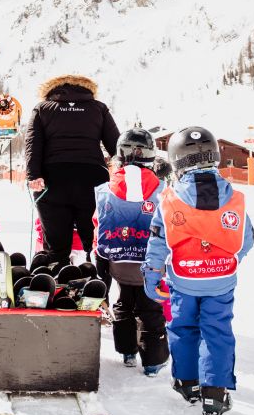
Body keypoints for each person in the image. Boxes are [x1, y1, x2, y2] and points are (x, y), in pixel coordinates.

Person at [143, 127, 254, 415]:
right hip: (221, 281)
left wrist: (153, 275)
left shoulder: (169, 200)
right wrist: (227, 261)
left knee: (183, 328)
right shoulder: (234, 198)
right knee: (217, 332)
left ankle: (187, 383)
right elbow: (246, 238)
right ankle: (215, 394)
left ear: (177, 161)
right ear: (215, 156)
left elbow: (158, 242)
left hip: (183, 279)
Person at [95, 128, 169, 377]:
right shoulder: (162, 190)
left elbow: (98, 224)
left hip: (117, 262)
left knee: (124, 302)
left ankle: (127, 351)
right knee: (150, 309)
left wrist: (102, 265)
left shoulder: (105, 189)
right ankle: (153, 361)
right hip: (150, 263)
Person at [25, 75, 119, 266]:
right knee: (94, 242)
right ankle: (96, 282)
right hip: (93, 179)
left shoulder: (42, 108)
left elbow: (33, 142)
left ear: (51, 90)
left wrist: (33, 175)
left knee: (56, 246)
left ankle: (59, 281)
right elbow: (116, 144)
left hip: (53, 180)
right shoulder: (98, 108)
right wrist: (125, 170)